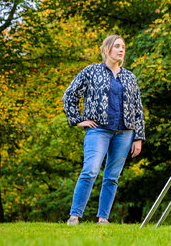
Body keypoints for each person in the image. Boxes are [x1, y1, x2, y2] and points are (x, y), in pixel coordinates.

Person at [62, 35, 145, 225]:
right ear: (107, 49)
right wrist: (77, 120)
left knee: (112, 177)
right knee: (90, 170)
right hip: (98, 130)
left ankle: (103, 218)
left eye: (123, 46)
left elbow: (137, 108)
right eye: (117, 46)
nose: (121, 49)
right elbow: (69, 95)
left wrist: (138, 137)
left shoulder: (129, 77)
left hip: (124, 132)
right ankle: (74, 216)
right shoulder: (90, 72)